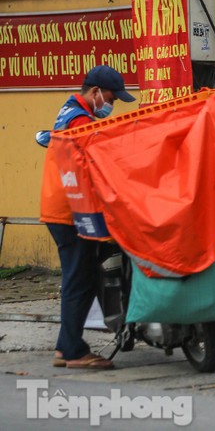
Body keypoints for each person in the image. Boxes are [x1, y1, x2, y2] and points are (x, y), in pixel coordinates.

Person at [39, 65, 135, 370]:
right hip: (71, 211)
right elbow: (96, 165)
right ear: (95, 92)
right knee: (79, 280)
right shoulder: (80, 121)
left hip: (63, 207)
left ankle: (65, 347)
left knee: (83, 277)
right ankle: (73, 351)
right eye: (111, 98)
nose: (112, 104)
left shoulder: (69, 111)